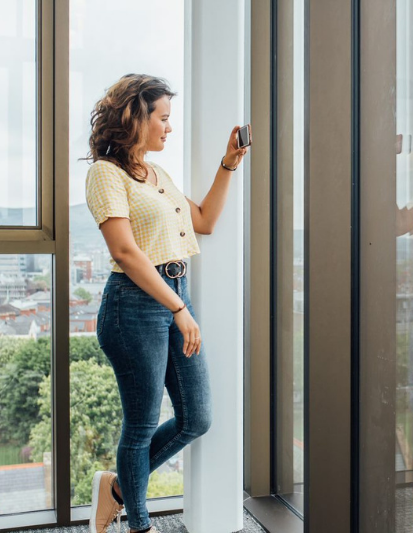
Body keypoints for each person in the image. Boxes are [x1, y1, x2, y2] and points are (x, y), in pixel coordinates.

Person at [83, 73, 248, 533]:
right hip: (133, 307)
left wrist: (228, 164)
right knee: (139, 424)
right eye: (163, 118)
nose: (168, 128)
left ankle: (116, 488)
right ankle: (139, 524)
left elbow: (204, 221)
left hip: (175, 294)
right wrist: (178, 309)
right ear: (137, 117)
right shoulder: (104, 173)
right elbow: (125, 251)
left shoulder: (159, 175)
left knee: (197, 418)